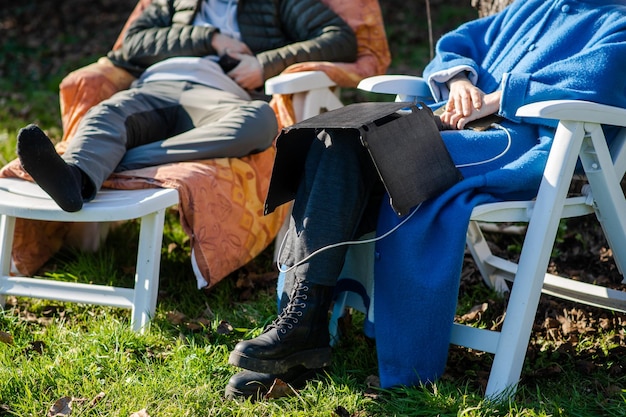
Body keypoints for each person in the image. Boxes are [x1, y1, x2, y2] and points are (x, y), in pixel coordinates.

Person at [225, 0, 626, 399]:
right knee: (332, 138)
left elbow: (600, 81)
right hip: (453, 120)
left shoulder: (618, 20)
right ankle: (303, 320)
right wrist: (460, 81)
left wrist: (499, 98)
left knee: (372, 152)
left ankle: (305, 331)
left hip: (518, 140)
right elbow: (460, 41)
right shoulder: (537, 6)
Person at [15, 0, 357, 212]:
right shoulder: (172, 2)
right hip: (157, 86)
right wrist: (207, 38)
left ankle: (111, 161)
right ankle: (73, 179)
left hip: (222, 96)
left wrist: (264, 64)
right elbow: (130, 45)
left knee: (260, 120)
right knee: (106, 114)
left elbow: (340, 39)